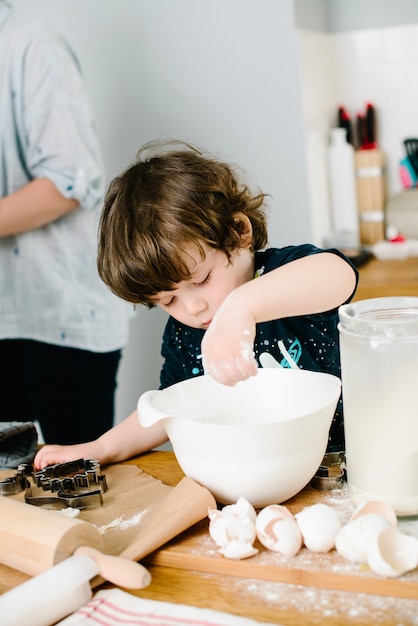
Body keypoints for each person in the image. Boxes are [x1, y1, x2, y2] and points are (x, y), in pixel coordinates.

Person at [34, 139, 358, 470]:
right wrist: (103, 447)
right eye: (168, 299)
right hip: (259, 477)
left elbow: (339, 275)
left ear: (238, 231)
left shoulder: (284, 274)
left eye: (200, 281)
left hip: (347, 469)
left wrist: (242, 306)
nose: (192, 308)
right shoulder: (184, 336)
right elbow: (169, 409)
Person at [0, 1, 131, 444]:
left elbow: (67, 181)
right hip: (10, 322)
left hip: (55, 326)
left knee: (74, 501)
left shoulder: (29, 44)